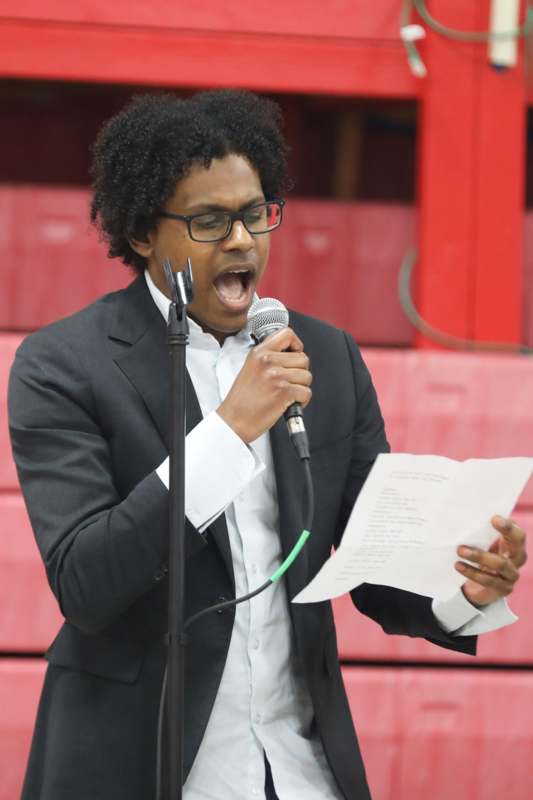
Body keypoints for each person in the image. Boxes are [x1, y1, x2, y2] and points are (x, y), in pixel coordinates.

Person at [8, 89, 527, 800]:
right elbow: (87, 585)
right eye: (209, 221)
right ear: (139, 235)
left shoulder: (326, 355)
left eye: (255, 214)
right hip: (142, 765)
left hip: (298, 767)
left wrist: (458, 590)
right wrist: (227, 431)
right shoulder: (64, 364)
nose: (242, 241)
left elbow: (373, 558)